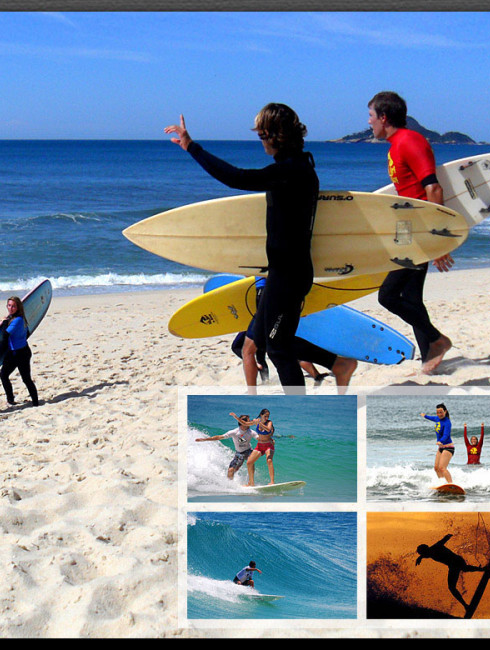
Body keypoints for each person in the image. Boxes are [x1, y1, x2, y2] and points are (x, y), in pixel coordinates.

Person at [166, 107, 355, 391]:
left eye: (261, 135)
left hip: (288, 277)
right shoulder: (300, 166)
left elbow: (236, 177)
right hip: (284, 272)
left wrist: (192, 147)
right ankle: (339, 364)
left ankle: (301, 413)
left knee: (278, 349)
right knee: (263, 341)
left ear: (273, 137)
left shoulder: (291, 171)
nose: (261, 141)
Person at [367, 91, 453, 374]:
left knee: (388, 296)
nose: (369, 123)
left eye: (370, 116)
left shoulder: (411, 142)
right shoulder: (395, 146)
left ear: (383, 117)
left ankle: (436, 340)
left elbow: (433, 189)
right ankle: (430, 356)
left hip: (418, 229)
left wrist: (437, 240)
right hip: (406, 228)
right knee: (412, 298)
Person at [416, 534, 490, 612]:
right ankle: (485, 570)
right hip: (454, 563)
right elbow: (426, 555)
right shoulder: (429, 552)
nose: (423, 555)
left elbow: (443, 540)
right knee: (463, 570)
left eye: (422, 553)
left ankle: (466, 605)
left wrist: (449, 535)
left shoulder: (436, 547)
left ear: (426, 549)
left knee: (453, 585)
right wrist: (420, 557)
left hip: (455, 562)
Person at [194, 413, 261, 480]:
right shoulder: (234, 432)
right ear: (242, 422)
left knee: (250, 461)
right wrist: (205, 439)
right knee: (231, 470)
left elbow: (260, 439)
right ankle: (230, 485)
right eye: (249, 421)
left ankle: (251, 482)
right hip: (239, 453)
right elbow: (220, 437)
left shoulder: (251, 432)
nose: (250, 422)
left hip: (248, 451)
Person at [0, 296, 39, 407]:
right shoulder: (20, 318)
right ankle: (11, 399)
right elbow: (27, 333)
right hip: (16, 352)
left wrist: (3, 323)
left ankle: (35, 402)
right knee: (4, 375)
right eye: (9, 305)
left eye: (14, 306)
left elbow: (4, 336)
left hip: (21, 354)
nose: (11, 308)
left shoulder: (17, 320)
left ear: (18, 307)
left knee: (26, 379)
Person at [421, 403, 455, 484]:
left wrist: (441, 441)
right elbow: (431, 418)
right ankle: (443, 483)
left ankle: (451, 484)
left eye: (441, 412)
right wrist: (425, 416)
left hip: (448, 447)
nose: (439, 414)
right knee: (436, 468)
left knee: (442, 467)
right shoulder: (437, 418)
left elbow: (446, 435)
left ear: (445, 411)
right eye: (437, 412)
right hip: (441, 448)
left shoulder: (447, 422)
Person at [245, 408, 278, 486]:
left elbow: (268, 430)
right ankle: (251, 483)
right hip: (259, 446)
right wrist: (236, 417)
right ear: (261, 415)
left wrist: (259, 423)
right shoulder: (257, 421)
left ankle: (272, 482)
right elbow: (246, 424)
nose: (267, 418)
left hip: (268, 445)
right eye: (265, 416)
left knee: (269, 460)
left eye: (268, 416)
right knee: (249, 462)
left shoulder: (269, 422)